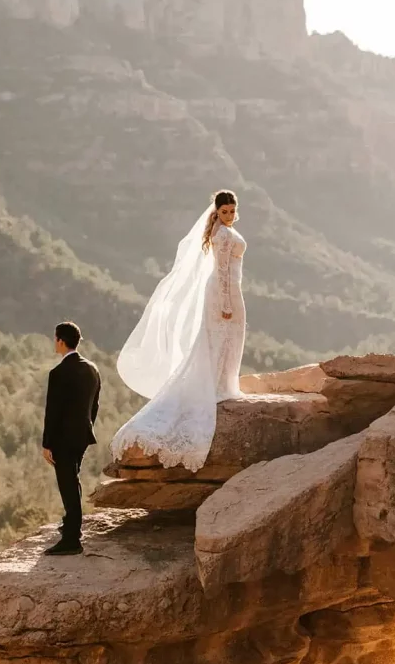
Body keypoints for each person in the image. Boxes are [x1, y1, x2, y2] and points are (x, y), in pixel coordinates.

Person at [110, 190, 247, 473]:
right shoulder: (222, 235)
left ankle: (223, 383)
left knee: (228, 339)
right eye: (225, 212)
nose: (230, 216)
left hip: (230, 289)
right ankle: (220, 386)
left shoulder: (224, 232)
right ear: (216, 212)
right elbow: (222, 272)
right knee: (223, 338)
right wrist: (226, 303)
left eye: (233, 211)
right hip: (225, 292)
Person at [42, 321, 101, 556]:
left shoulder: (58, 373)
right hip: (82, 436)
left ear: (60, 341)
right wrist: (86, 428)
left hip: (63, 439)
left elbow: (52, 411)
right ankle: (71, 525)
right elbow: (94, 405)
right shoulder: (92, 369)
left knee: (67, 484)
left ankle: (72, 539)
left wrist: (47, 444)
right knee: (73, 480)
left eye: (55, 338)